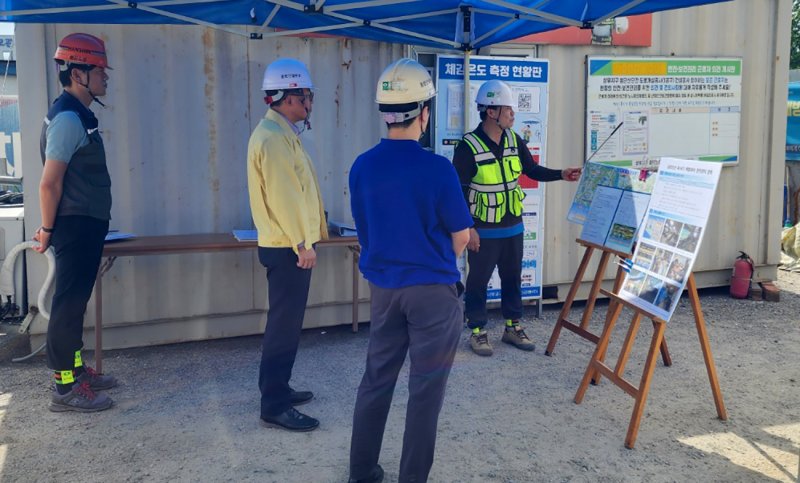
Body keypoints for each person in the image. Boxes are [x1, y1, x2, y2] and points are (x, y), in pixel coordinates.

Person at [348, 58, 472, 483]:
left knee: (376, 380)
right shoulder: (437, 168)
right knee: (425, 390)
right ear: (424, 112)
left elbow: (365, 230)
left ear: (384, 113)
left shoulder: (362, 165)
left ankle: (361, 472)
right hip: (433, 295)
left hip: (384, 291)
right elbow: (460, 236)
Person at [453, 79, 582, 357]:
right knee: (478, 280)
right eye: (508, 109)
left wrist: (561, 174)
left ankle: (513, 327)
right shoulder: (468, 146)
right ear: (491, 112)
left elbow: (532, 170)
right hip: (483, 229)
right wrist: (469, 228)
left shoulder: (513, 139)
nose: (513, 114)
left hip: (513, 227)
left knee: (512, 278)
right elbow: (459, 190)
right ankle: (477, 330)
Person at [36, 33, 118, 412]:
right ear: (78, 73)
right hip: (73, 225)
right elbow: (50, 182)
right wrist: (48, 230)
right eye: (100, 70)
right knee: (68, 304)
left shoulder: (79, 114)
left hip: (86, 223)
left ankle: (76, 371)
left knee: (76, 302)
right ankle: (65, 389)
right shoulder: (68, 118)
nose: (105, 77)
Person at [247, 58, 327, 432]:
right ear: (289, 97)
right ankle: (274, 404)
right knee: (283, 325)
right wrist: (301, 243)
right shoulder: (274, 139)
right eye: (306, 96)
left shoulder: (279, 134)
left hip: (287, 244)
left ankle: (277, 387)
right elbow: (285, 196)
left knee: (286, 323)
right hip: (288, 247)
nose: (309, 102)